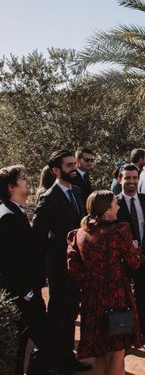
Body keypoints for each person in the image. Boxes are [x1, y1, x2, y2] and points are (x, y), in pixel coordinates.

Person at [67, 191, 143, 375]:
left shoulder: (78, 234)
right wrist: (135, 250)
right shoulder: (120, 231)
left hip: (92, 299)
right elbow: (134, 263)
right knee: (117, 352)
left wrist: (92, 283)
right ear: (107, 209)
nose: (118, 206)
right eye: (116, 203)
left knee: (99, 352)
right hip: (117, 297)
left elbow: (73, 269)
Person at [32, 150, 90, 373]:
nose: (74, 168)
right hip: (58, 267)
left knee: (70, 313)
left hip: (78, 266)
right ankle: (51, 362)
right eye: (69, 165)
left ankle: (67, 358)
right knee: (57, 315)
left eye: (74, 163)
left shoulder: (77, 191)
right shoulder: (48, 198)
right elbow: (38, 237)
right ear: (56, 170)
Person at [0, 165, 49, 375]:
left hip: (27, 292)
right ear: (11, 187)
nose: (28, 180)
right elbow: (7, 262)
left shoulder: (14, 210)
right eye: (22, 178)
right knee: (37, 342)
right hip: (23, 295)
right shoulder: (8, 216)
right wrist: (26, 292)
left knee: (26, 345)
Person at [116, 164, 145, 352]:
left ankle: (142, 335)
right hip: (121, 262)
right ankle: (121, 338)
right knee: (121, 300)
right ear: (120, 180)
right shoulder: (113, 204)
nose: (131, 182)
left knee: (142, 298)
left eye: (134, 178)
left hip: (144, 259)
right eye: (128, 178)